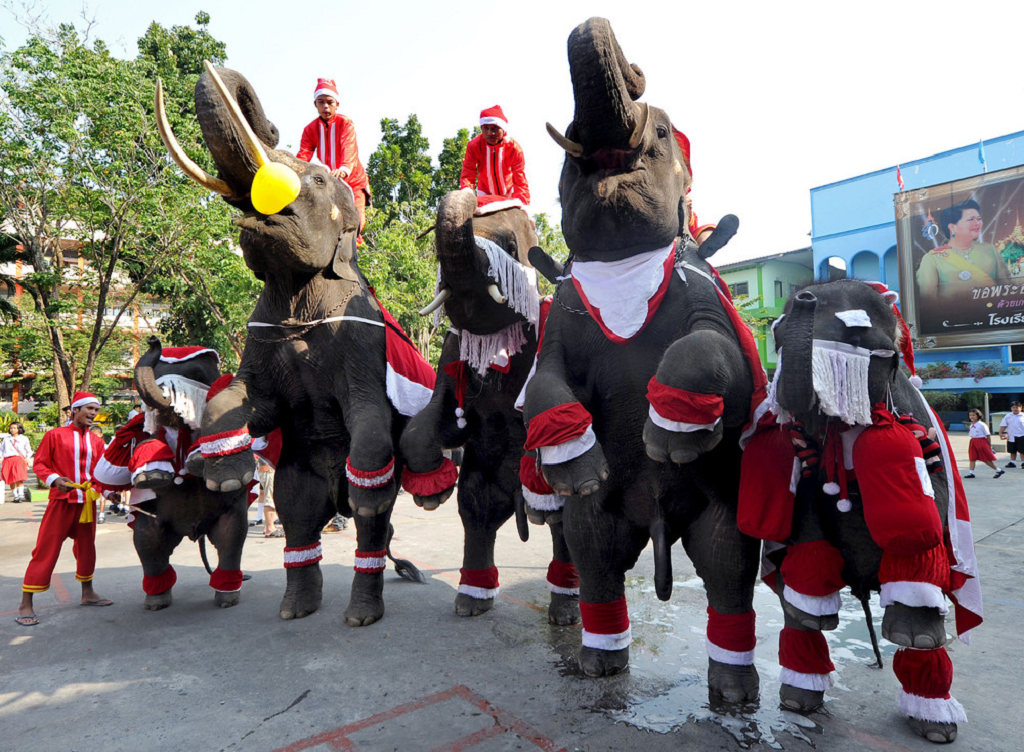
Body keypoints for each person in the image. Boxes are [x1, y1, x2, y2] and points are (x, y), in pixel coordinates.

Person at [16, 392, 113, 627]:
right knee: (46, 550)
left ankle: (87, 593)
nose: (93, 413)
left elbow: (99, 473)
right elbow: (39, 463)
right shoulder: (54, 435)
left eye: (95, 409)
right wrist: (53, 479)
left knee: (87, 549)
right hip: (61, 502)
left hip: (87, 503)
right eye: (88, 408)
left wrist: (108, 492)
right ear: (75, 410)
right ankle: (25, 603)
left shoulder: (97, 441)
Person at [296, 78, 371, 231]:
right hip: (332, 182)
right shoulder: (310, 130)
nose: (326, 106)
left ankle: (354, 253)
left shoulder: (345, 124)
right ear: (315, 104)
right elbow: (303, 156)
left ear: (337, 104)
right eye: (321, 102)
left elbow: (348, 147)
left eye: (330, 102)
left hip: (353, 181)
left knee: (357, 224)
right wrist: (295, 172)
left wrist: (344, 169)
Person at [916, 199, 1012, 300]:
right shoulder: (933, 259)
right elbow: (928, 301)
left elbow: (1007, 287)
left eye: (979, 219)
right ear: (952, 227)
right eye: (971, 219)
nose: (977, 223)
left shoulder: (989, 250)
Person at [460, 105, 530, 206]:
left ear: (503, 129)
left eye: (494, 129)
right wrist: (466, 193)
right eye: (485, 128)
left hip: (509, 195)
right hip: (483, 195)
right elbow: (468, 173)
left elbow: (520, 181)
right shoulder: (474, 146)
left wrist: (523, 203)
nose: (490, 133)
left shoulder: (514, 148)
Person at [964, 408, 1005, 479]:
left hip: (981, 441)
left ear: (978, 416)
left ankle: (998, 470)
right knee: (972, 457)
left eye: (973, 415)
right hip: (973, 441)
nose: (971, 417)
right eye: (970, 415)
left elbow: (988, 435)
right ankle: (971, 473)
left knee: (985, 458)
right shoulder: (971, 425)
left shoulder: (982, 425)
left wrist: (989, 446)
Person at [1, 421, 33, 504]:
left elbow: (28, 450)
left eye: (15, 428)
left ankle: (21, 494)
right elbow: (2, 449)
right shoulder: (6, 439)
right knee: (10, 479)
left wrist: (27, 458)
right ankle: (15, 496)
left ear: (19, 429)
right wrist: (1, 457)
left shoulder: (24, 438)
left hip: (19, 459)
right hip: (8, 460)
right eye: (11, 428)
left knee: (19, 477)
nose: (12, 429)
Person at [999, 401, 1024, 467]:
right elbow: (1003, 425)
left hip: (1021, 436)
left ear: (1021, 408)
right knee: (1012, 450)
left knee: (1022, 450)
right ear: (1011, 408)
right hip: (1011, 436)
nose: (1015, 409)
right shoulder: (1008, 416)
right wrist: (1001, 432)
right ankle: (1012, 462)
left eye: (1017, 407)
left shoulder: (1023, 416)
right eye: (1013, 407)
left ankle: (1023, 463)